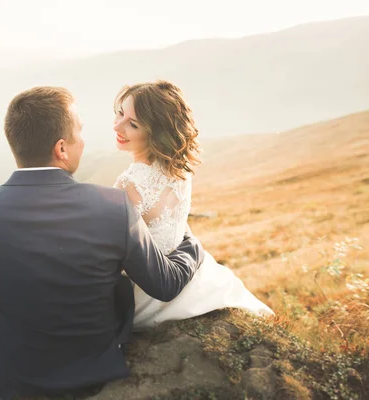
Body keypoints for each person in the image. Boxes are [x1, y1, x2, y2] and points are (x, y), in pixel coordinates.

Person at [0, 86, 206, 399]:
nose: (84, 139)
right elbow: (165, 283)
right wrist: (189, 241)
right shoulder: (113, 207)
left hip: (14, 372)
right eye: (79, 131)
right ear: (61, 149)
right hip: (93, 366)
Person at [112, 80, 274, 329]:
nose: (117, 126)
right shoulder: (179, 170)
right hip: (185, 269)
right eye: (120, 113)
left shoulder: (128, 185)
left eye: (132, 124)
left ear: (155, 134)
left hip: (147, 292)